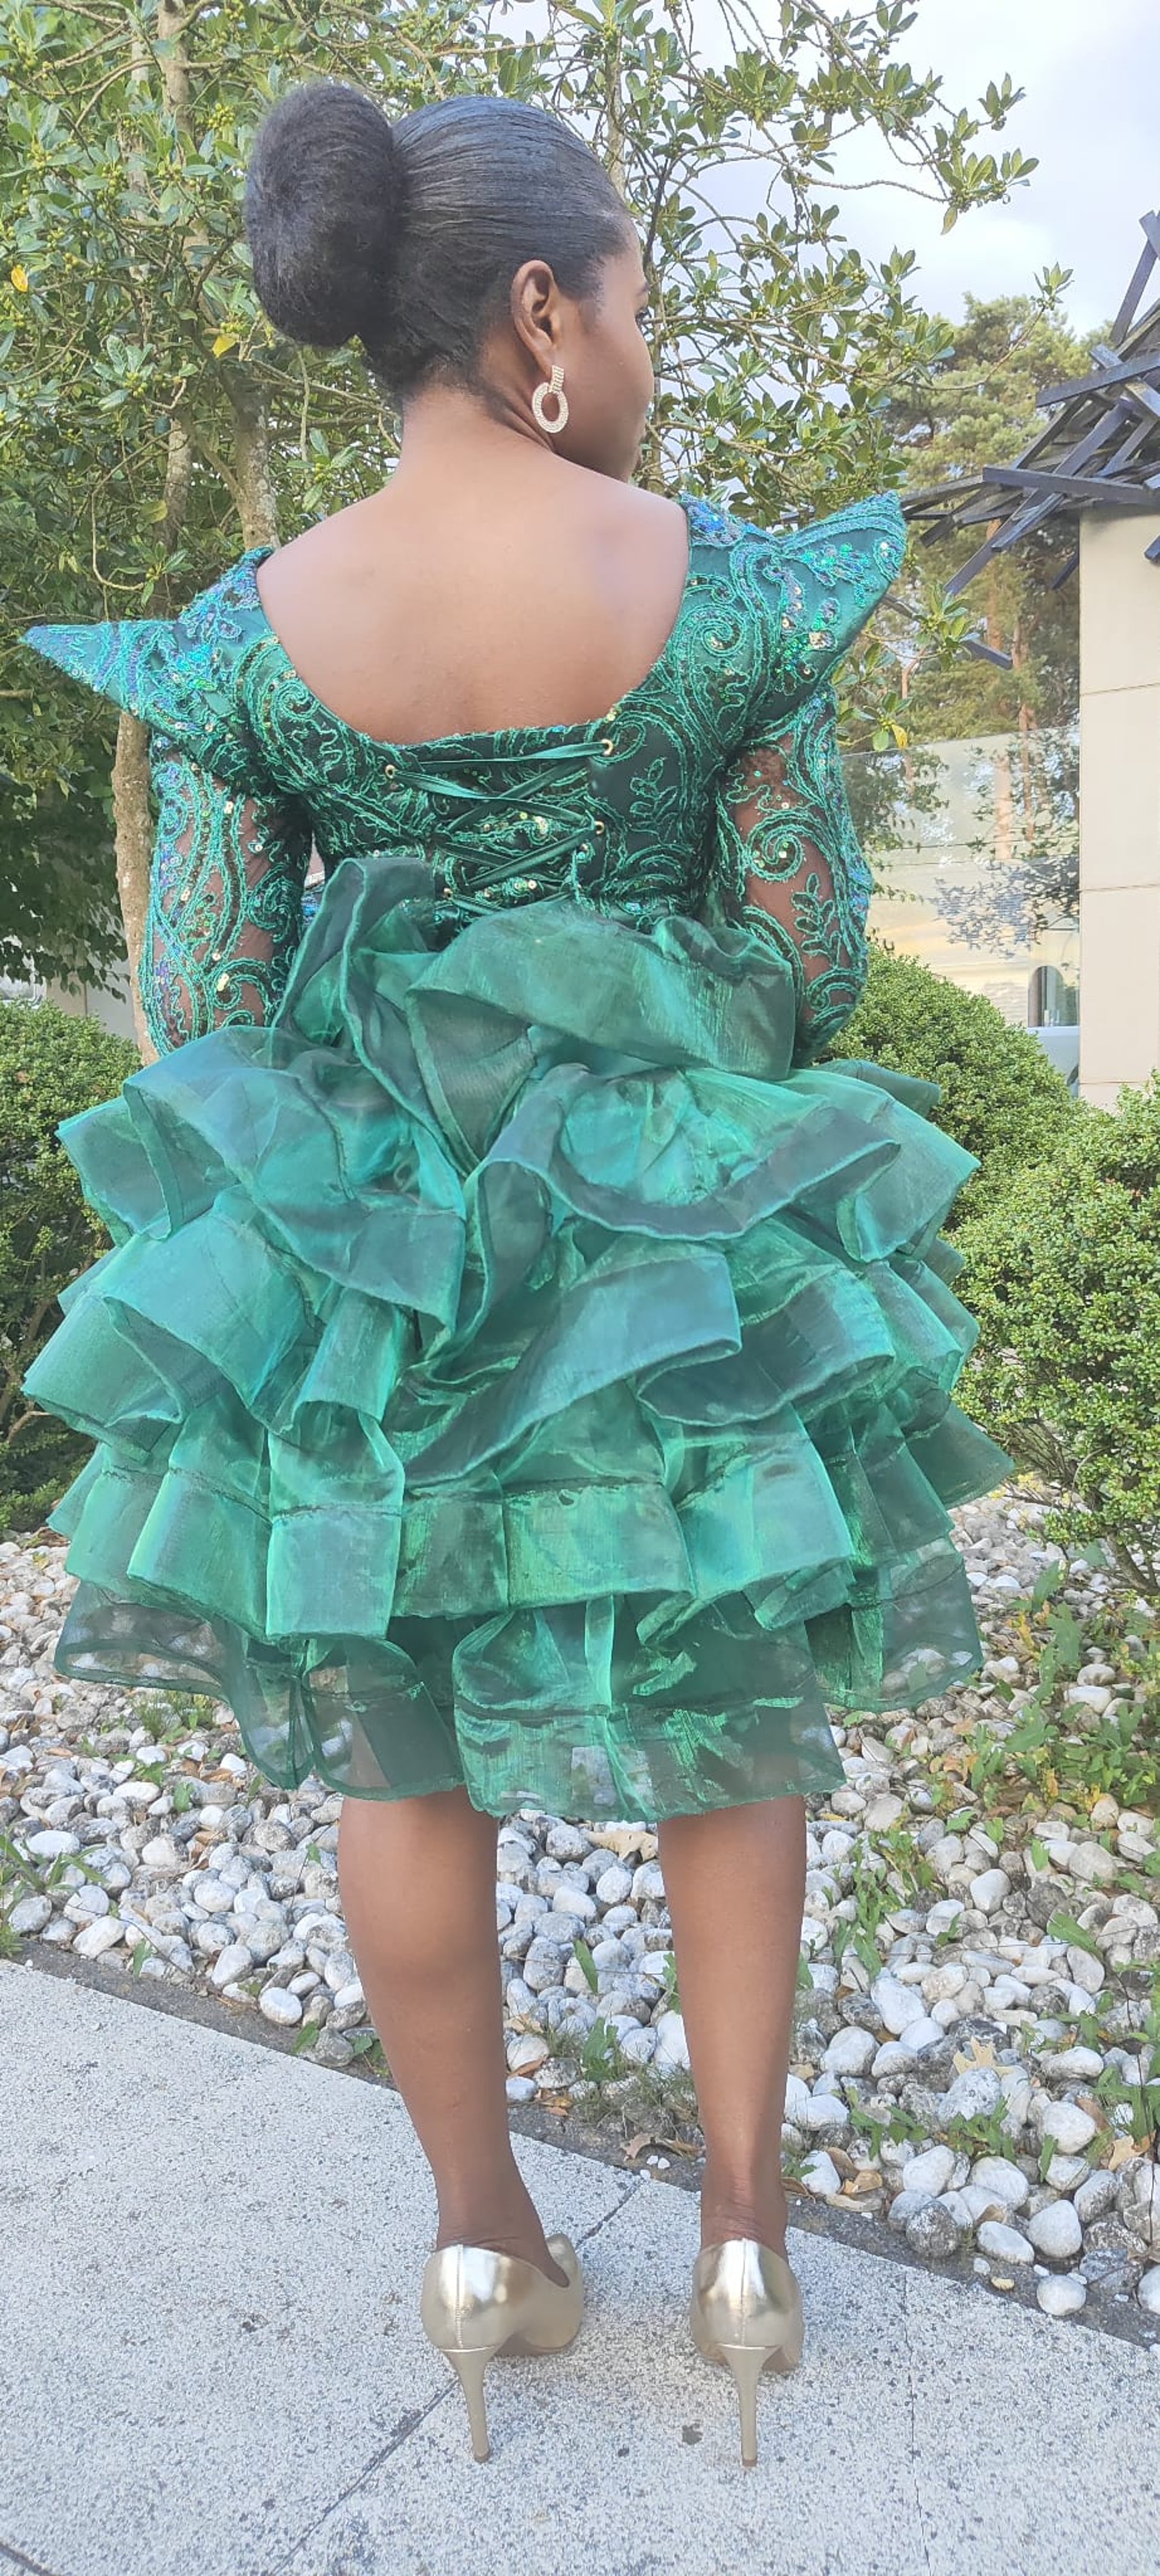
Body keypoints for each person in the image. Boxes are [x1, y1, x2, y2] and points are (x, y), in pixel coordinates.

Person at [24, 85, 1011, 2467]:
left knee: (403, 1737)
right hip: (673, 1249)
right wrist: (639, 1052)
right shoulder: (742, 595)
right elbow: (801, 962)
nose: (648, 341)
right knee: (730, 1715)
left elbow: (219, 1001)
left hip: (383, 1273)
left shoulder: (260, 638)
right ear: (546, 313)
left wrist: (418, 1066)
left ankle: (484, 2245)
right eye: (644, 295)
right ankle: (750, 2244)